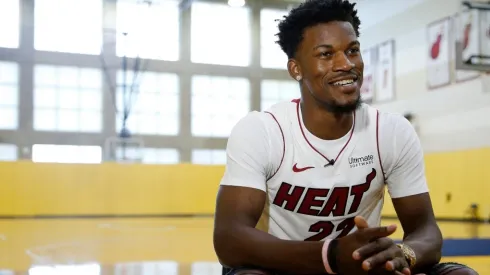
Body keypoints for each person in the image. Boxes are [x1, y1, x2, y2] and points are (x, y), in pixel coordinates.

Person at [212, 0, 478, 274]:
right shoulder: (262, 131)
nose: (346, 64)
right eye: (326, 54)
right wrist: (331, 256)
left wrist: (402, 254)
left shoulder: (391, 132)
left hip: (358, 268)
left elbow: (426, 232)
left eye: (352, 50)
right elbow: (230, 240)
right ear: (296, 69)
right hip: (283, 268)